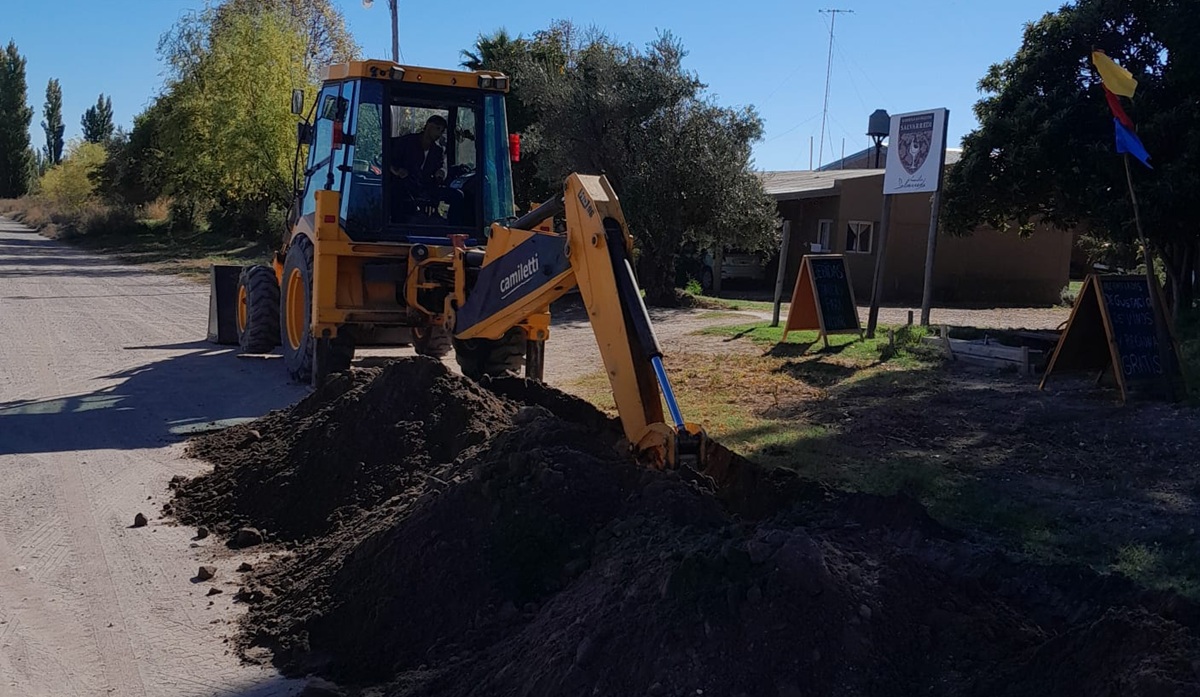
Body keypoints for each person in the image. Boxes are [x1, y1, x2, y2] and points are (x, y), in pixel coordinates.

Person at [390, 114, 447, 199]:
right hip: (403, 187)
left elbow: (440, 167)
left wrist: (441, 173)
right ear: (428, 126)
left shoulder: (438, 150)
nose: (439, 134)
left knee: (457, 194)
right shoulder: (406, 142)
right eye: (437, 128)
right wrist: (397, 171)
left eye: (442, 131)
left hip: (425, 188)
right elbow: (389, 161)